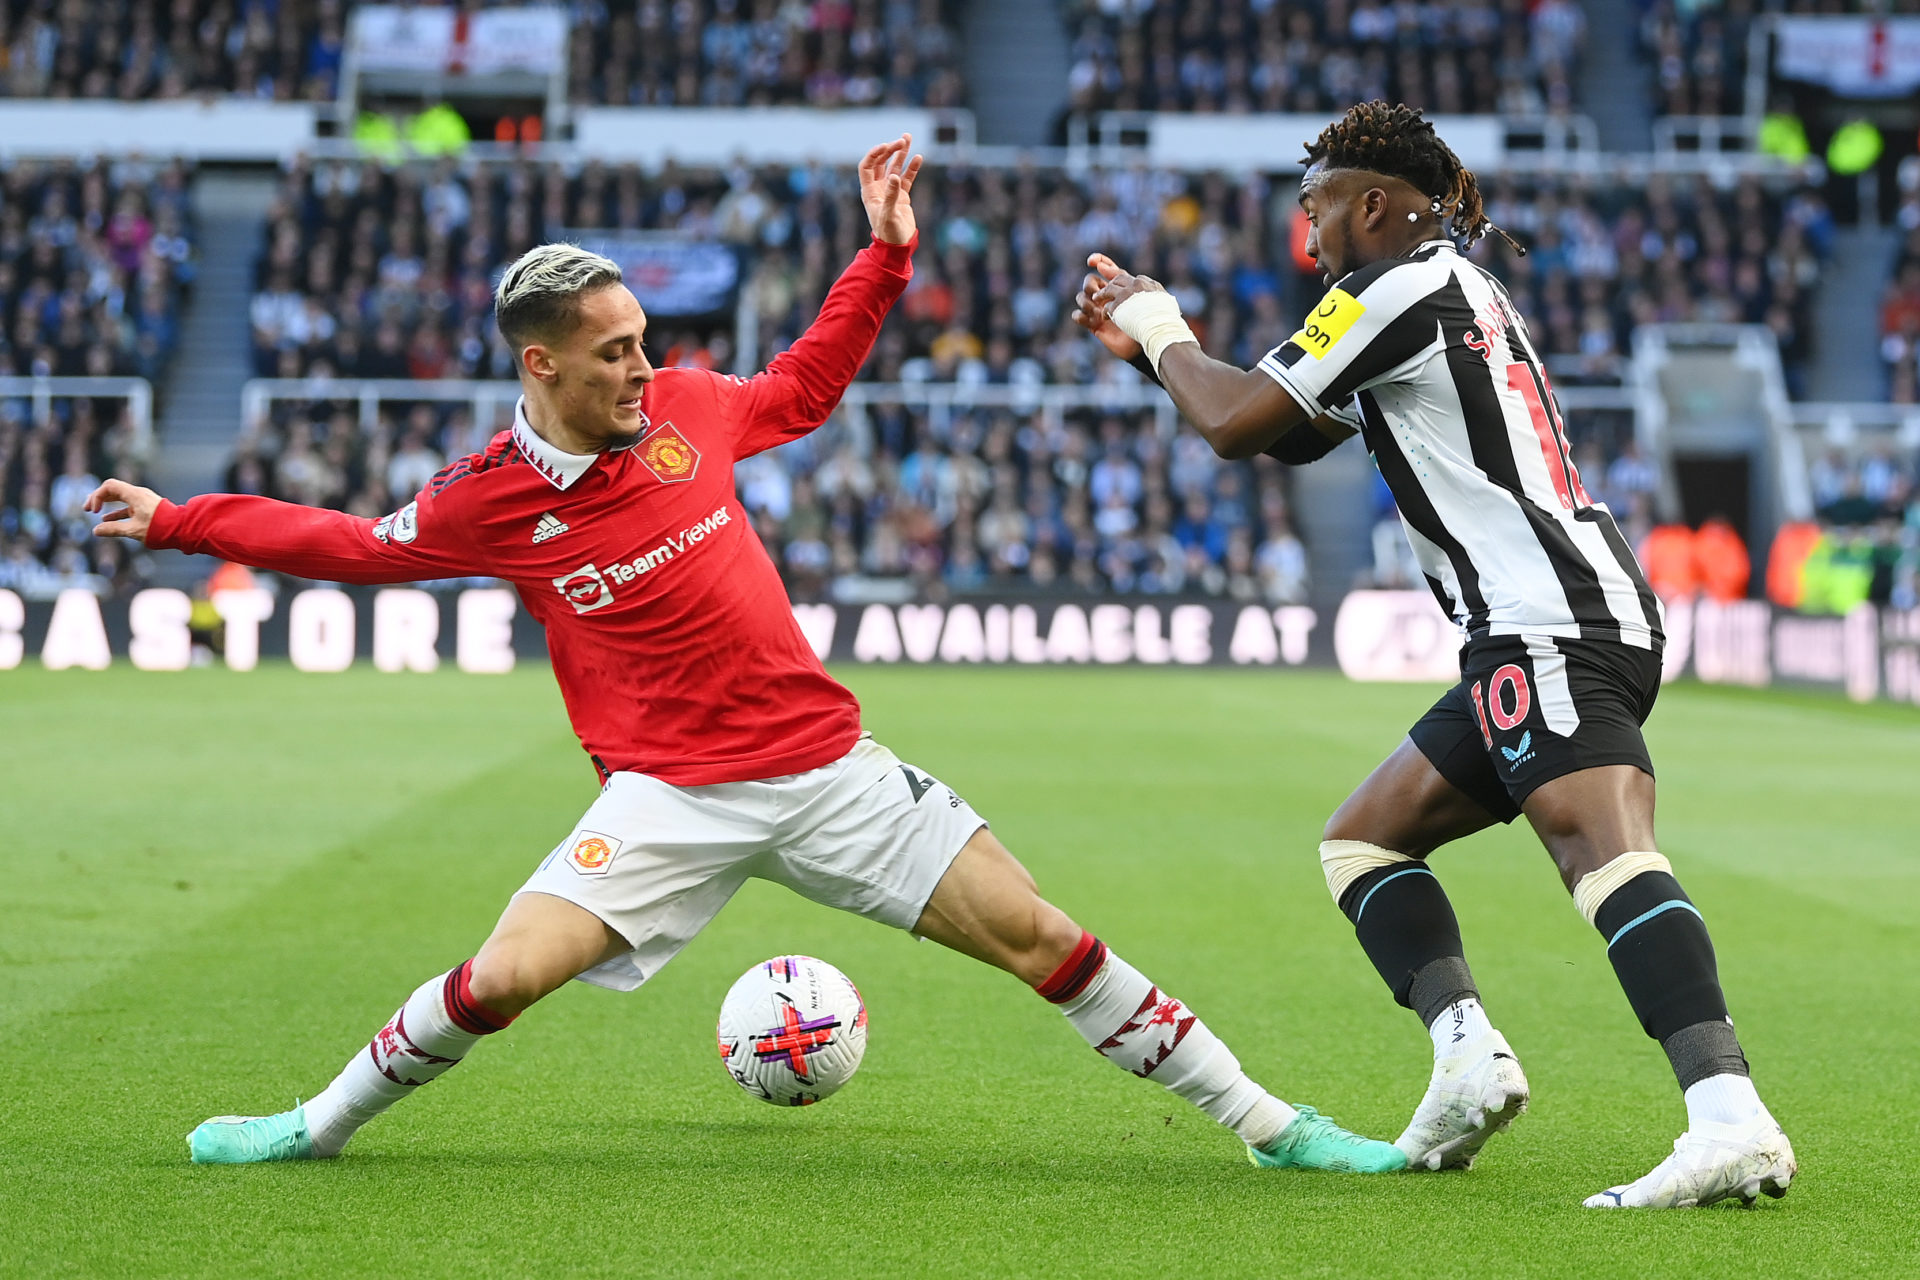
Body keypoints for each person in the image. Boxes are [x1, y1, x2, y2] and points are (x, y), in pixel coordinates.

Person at [88, 137, 1401, 1176]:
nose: (644, 370)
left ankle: (1276, 1126)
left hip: (830, 771)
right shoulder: (485, 501)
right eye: (613, 355)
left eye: (645, 343)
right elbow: (340, 543)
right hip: (663, 800)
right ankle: (311, 1126)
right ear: (539, 367)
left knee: (1044, 938)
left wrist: (882, 259)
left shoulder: (688, 410)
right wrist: (179, 518)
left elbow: (807, 386)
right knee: (501, 978)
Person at [1070, 101, 1796, 1210]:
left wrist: (1162, 324)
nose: (1305, 235)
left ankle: (1729, 1114)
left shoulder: (1395, 289)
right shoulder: (1443, 292)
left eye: (1315, 209)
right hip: (1543, 617)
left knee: (1599, 850)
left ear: (1372, 204)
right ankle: (1468, 1058)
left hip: (1545, 618)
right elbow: (1289, 429)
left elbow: (1231, 422)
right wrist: (1151, 359)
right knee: (1364, 842)